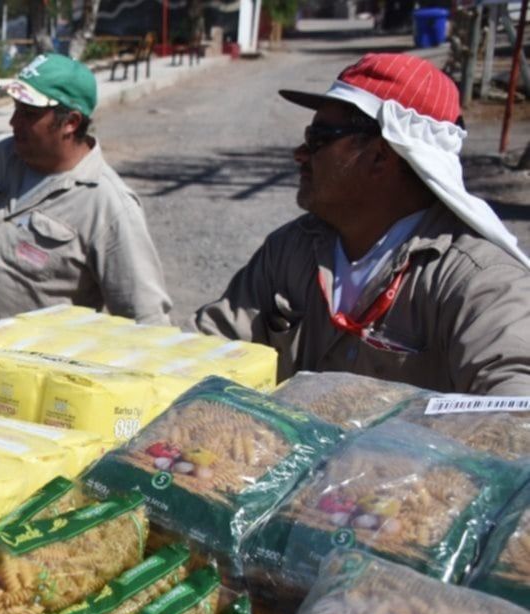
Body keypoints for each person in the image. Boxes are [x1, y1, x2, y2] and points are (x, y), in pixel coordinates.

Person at [196, 53, 530, 394]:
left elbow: (516, 412)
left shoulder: (477, 282)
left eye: (319, 138)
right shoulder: (289, 249)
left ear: (380, 156)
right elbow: (210, 350)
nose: (300, 153)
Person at [0, 54, 172, 346]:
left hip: (26, 382)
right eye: (15, 108)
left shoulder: (108, 206)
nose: (13, 122)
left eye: (29, 114)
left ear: (70, 123)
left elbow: (146, 322)